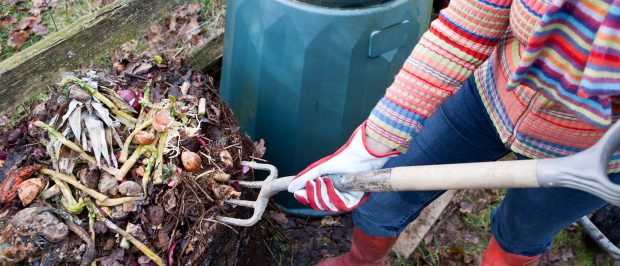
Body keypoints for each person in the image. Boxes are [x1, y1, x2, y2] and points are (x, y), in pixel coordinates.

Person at [287, 0, 620, 265]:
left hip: (592, 154)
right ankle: (356, 262)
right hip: (488, 99)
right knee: (385, 201)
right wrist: (373, 143)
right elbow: (463, 29)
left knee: (521, 234)